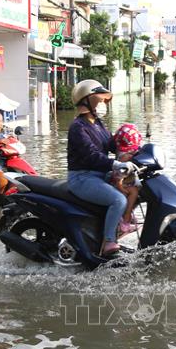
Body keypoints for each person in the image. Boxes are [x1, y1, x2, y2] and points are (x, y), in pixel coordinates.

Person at [67, 79, 138, 257]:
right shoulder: (77, 127)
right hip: (83, 178)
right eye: (99, 100)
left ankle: (120, 225)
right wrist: (116, 163)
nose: (103, 104)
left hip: (101, 175)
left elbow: (111, 144)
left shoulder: (97, 124)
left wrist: (133, 149)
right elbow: (91, 154)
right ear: (87, 101)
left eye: (104, 101)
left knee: (135, 187)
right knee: (118, 200)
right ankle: (108, 242)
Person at [111, 123, 143, 235]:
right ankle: (125, 219)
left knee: (138, 191)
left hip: (126, 180)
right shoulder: (124, 156)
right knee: (133, 192)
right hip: (120, 183)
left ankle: (128, 214)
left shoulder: (123, 151)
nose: (132, 154)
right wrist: (120, 186)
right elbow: (119, 172)